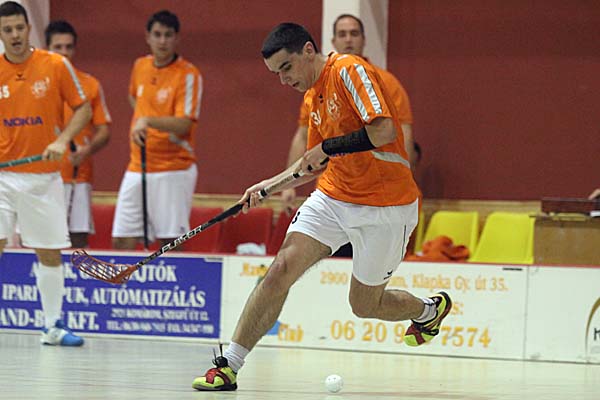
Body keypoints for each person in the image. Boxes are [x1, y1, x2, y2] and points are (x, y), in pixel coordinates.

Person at [192, 23, 452, 391]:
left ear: (308, 51)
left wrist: (328, 147)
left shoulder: (348, 70)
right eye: (276, 73)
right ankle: (229, 366)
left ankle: (429, 310)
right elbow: (314, 164)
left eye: (286, 67)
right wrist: (269, 186)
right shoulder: (312, 96)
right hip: (334, 196)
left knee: (364, 305)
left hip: (386, 206)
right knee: (280, 269)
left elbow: (383, 130)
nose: (284, 80)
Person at [0, 1, 91, 346]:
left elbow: (83, 108)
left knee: (49, 252)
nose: (14, 35)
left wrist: (63, 139)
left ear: (28, 28)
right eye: (7, 30)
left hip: (44, 177)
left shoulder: (55, 65)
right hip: (2, 178)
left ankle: (52, 326)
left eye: (19, 28)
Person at [281, 14, 416, 212]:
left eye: (354, 33)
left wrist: (401, 181)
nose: (348, 39)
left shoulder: (387, 83)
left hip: (376, 191)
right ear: (334, 41)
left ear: (364, 39)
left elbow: (401, 133)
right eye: (342, 34)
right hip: (332, 191)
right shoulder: (314, 91)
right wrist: (287, 184)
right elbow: (302, 136)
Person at [111, 10, 202, 250]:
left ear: (177, 38)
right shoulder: (140, 66)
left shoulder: (188, 74)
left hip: (173, 168)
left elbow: (185, 123)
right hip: (137, 165)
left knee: (170, 242)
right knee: (122, 239)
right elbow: (134, 98)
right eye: (157, 34)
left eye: (168, 35)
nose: (162, 41)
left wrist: (148, 121)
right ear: (148, 37)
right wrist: (143, 121)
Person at [45, 20, 112, 249]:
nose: (64, 53)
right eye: (58, 47)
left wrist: (87, 150)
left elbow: (104, 131)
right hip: (42, 175)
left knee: (78, 239)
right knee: (39, 238)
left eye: (69, 47)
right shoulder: (36, 84)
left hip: (78, 176)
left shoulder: (90, 85)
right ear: (47, 49)